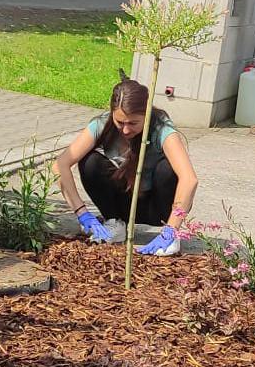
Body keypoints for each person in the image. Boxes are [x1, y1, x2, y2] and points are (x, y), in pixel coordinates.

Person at [54, 76, 198, 255]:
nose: (126, 130)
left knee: (168, 169)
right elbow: (60, 165)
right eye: (120, 122)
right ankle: (115, 224)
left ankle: (169, 236)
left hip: (157, 209)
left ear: (146, 114)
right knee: (90, 162)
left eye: (133, 123)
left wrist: (172, 228)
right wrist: (81, 212)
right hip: (123, 205)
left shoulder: (162, 129)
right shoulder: (102, 124)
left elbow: (189, 179)